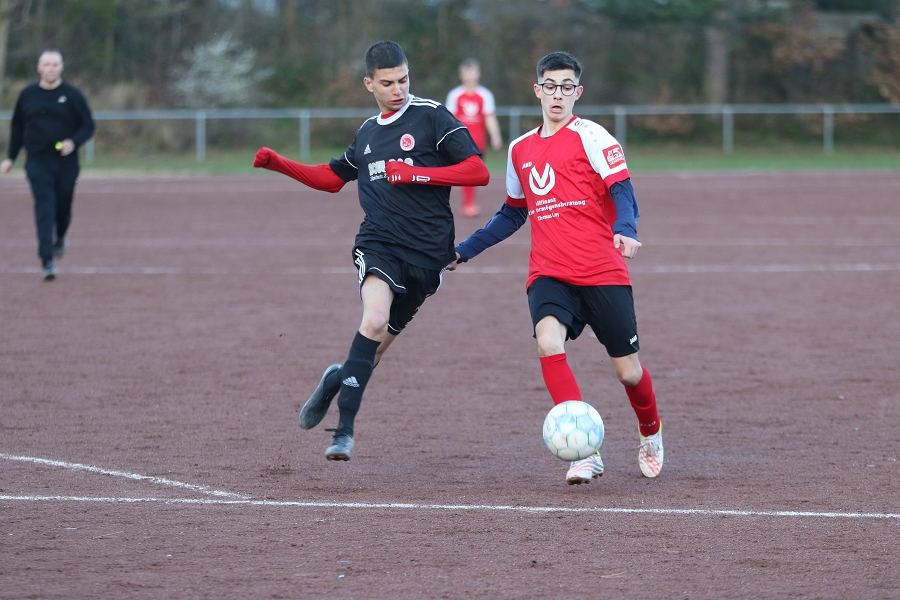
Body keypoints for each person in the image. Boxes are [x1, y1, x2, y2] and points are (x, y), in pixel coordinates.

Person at [253, 40, 489, 461]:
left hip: (428, 255)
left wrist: (416, 175)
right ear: (369, 84)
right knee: (374, 319)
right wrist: (279, 164)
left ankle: (334, 380)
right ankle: (342, 431)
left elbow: (477, 171)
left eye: (403, 80)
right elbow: (332, 177)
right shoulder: (366, 134)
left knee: (372, 352)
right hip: (379, 243)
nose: (398, 89)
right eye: (387, 83)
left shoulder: (433, 116)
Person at [451, 51, 663, 485]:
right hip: (548, 272)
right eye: (550, 86)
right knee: (549, 342)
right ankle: (586, 452)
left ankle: (651, 432)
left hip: (602, 269)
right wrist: (465, 250)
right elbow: (512, 213)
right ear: (538, 90)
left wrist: (625, 227)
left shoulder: (593, 136)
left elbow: (622, 188)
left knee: (629, 371)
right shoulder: (519, 149)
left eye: (567, 87)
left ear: (577, 92)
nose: (558, 95)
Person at [1, 49, 95, 281]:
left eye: (55, 64)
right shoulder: (28, 95)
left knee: (62, 211)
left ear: (61, 67)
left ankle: (60, 237)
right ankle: (47, 261)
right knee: (45, 209)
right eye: (47, 64)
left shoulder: (72, 95)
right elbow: (17, 128)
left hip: (66, 163)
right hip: (37, 162)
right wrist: (10, 157)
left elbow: (88, 126)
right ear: (39, 68)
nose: (51, 68)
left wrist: (73, 142)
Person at [445, 58, 502, 218]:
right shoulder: (455, 95)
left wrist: (495, 136)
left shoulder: (485, 95)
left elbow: (489, 117)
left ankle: (468, 202)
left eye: (473, 72)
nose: (470, 76)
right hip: (460, 141)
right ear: (461, 75)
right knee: (466, 172)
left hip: (478, 141)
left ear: (478, 74)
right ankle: (467, 204)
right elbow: (448, 120)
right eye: (467, 73)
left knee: (472, 173)